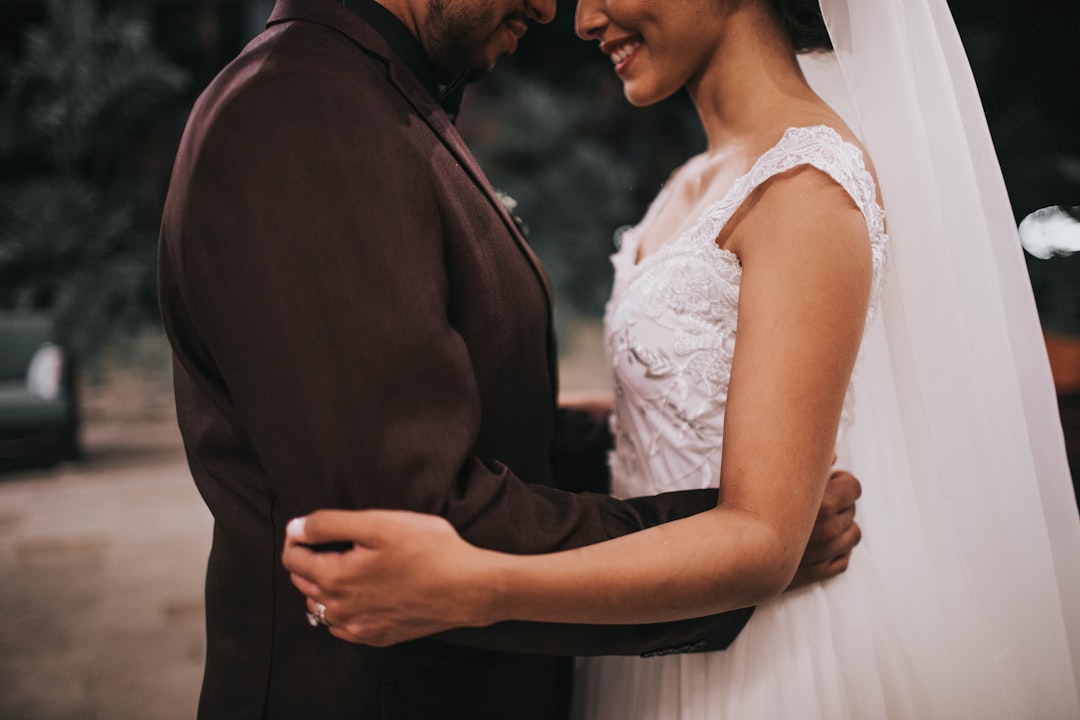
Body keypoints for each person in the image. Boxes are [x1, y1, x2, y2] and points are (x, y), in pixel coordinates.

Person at [282, 0, 1080, 716]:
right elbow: (686, 402)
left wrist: (472, 586)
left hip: (766, 663)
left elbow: (766, 543)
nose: (584, 20)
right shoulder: (700, 178)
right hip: (654, 634)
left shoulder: (806, 185)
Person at [157, 0, 864, 717]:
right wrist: (732, 542)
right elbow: (410, 515)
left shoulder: (370, 95)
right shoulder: (306, 113)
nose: (559, 11)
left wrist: (684, 459)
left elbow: (436, 414)